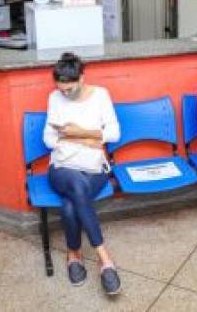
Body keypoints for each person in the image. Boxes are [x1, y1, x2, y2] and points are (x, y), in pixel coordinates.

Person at [43, 53, 122, 295]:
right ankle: (104, 258)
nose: (65, 93)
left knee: (70, 205)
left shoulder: (100, 95)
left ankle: (74, 254)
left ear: (82, 78)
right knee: (76, 185)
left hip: (94, 167)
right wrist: (86, 138)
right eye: (61, 88)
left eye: (70, 88)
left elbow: (115, 133)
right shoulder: (54, 98)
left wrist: (76, 133)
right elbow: (48, 139)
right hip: (62, 168)